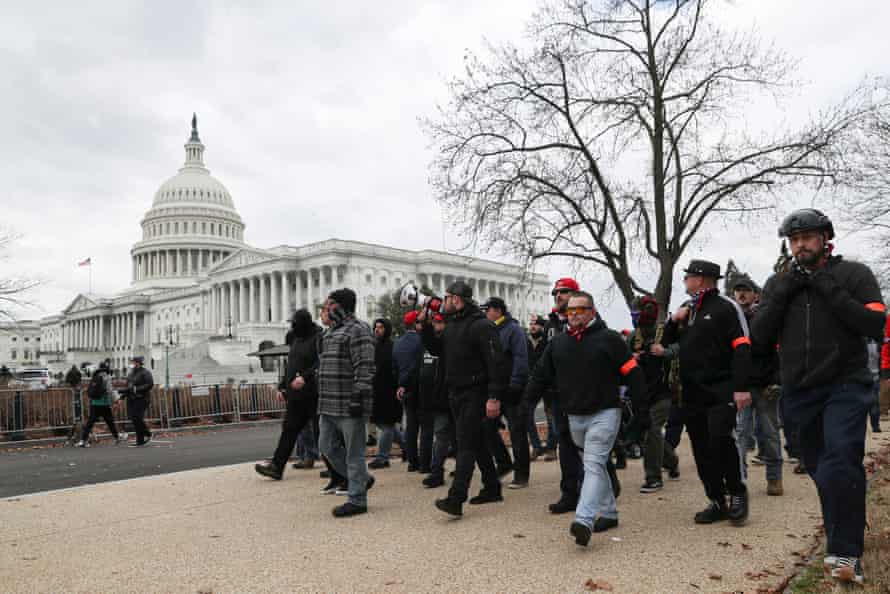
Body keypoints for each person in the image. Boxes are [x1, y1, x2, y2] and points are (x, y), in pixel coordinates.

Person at [752, 209, 885, 584]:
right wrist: (785, 292)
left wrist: (827, 286)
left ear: (825, 238)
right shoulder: (779, 284)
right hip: (798, 389)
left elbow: (874, 323)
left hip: (846, 383)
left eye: (808, 237)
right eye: (794, 240)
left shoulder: (853, 275)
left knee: (841, 459)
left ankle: (845, 552)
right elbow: (760, 335)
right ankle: (846, 521)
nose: (800, 245)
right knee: (821, 468)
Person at [526, 291, 647, 546]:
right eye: (571, 311)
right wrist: (525, 404)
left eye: (581, 309)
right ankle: (610, 513)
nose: (575, 315)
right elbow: (540, 376)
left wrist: (641, 411)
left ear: (592, 311)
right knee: (597, 465)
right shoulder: (558, 343)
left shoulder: (610, 340)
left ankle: (584, 519)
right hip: (574, 416)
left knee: (592, 464)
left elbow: (634, 375)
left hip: (605, 412)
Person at [662, 259, 752, 527]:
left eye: (688, 277)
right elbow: (665, 344)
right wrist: (673, 320)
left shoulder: (726, 307)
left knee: (720, 439)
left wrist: (741, 387)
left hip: (721, 389)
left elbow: (743, 347)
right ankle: (716, 499)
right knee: (700, 447)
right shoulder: (688, 310)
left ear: (700, 279)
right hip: (692, 392)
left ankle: (737, 491)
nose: (685, 281)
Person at [421, 280, 505, 517]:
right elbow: (437, 350)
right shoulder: (452, 324)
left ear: (456, 300)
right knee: (475, 442)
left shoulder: (481, 326)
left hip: (475, 392)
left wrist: (494, 397)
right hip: (456, 393)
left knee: (465, 444)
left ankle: (456, 498)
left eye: (446, 298)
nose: (443, 302)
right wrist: (426, 328)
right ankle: (492, 487)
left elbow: (496, 363)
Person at [316, 289, 376, 517]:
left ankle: (358, 499)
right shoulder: (331, 331)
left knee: (354, 454)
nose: (325, 308)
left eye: (329, 304)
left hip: (350, 404)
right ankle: (362, 479)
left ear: (340, 307)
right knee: (326, 447)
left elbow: (366, 367)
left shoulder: (359, 330)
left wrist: (358, 398)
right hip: (328, 403)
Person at [729, 274, 784, 496]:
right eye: (738, 290)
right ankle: (739, 480)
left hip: (765, 384)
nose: (741, 294)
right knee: (741, 433)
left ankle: (774, 478)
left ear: (755, 295)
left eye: (746, 290)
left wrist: (778, 380)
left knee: (770, 433)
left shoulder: (767, 318)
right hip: (742, 385)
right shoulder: (731, 320)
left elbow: (781, 350)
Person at [255, 310, 323, 481]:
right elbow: (290, 366)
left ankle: (337, 468)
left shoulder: (319, 337)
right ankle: (277, 467)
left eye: (294, 323)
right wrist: (282, 387)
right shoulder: (295, 338)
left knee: (321, 432)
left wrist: (305, 377)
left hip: (314, 394)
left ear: (303, 323)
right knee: (289, 430)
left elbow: (321, 362)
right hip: (296, 396)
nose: (292, 326)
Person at [627, 296, 679, 493]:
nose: (634, 318)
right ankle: (671, 461)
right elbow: (622, 361)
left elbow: (681, 347)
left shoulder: (664, 332)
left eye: (637, 314)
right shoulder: (633, 337)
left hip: (663, 391)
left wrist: (664, 351)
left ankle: (653, 478)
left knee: (652, 431)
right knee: (649, 433)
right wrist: (631, 358)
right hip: (641, 393)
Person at [545, 277, 585, 514]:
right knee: (565, 445)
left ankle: (606, 484)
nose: (558, 296)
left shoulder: (588, 320)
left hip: (582, 392)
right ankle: (569, 493)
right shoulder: (551, 324)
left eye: (563, 292)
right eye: (555, 293)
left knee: (586, 445)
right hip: (558, 394)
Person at [481, 296, 530, 489]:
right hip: (494, 389)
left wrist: (516, 383)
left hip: (512, 388)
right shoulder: (487, 331)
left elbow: (520, 357)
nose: (485, 314)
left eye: (487, 310)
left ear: (498, 311)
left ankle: (522, 474)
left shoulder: (513, 330)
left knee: (517, 432)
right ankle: (504, 463)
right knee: (487, 427)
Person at [420, 313, 454, 488]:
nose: (436, 325)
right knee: (441, 435)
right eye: (434, 322)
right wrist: (425, 326)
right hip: (441, 396)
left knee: (466, 438)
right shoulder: (438, 340)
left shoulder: (453, 338)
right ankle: (436, 471)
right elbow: (432, 346)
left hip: (458, 394)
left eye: (439, 322)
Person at [393, 310, 426, 472]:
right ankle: (425, 462)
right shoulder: (421, 340)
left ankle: (413, 461)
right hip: (420, 387)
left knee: (411, 427)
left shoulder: (398, 342)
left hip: (405, 388)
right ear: (416, 324)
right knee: (426, 427)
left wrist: (400, 384)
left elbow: (395, 368)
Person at [370, 318, 401, 469]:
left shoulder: (393, 346)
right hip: (376, 391)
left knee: (387, 424)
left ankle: (382, 457)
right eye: (376, 327)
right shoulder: (374, 346)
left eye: (381, 327)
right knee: (384, 424)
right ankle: (408, 448)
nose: (377, 330)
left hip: (389, 391)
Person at [527, 315, 557, 461]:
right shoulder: (526, 342)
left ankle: (551, 448)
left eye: (536, 324)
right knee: (526, 413)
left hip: (549, 384)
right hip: (532, 383)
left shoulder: (547, 342)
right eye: (531, 324)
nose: (533, 326)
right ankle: (536, 446)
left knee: (551, 416)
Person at [76, 361, 125, 447]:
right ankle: (117, 438)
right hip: (104, 403)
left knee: (90, 423)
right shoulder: (106, 377)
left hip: (94, 403)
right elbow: (110, 390)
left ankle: (83, 440)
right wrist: (117, 400)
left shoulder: (95, 375)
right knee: (110, 422)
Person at [122, 356, 154, 447]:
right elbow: (128, 386)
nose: (132, 364)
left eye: (133, 362)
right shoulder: (131, 373)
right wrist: (122, 397)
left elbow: (150, 384)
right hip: (131, 399)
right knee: (134, 419)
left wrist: (137, 389)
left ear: (138, 363)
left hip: (142, 399)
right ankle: (140, 440)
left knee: (137, 418)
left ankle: (147, 434)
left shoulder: (145, 372)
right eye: (132, 362)